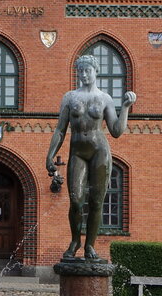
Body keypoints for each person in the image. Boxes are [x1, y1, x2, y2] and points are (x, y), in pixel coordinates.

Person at [46, 55, 136, 261]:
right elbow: (60, 130)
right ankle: (75, 240)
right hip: (77, 152)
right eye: (81, 71)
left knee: (96, 202)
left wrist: (125, 108)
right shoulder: (69, 98)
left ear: (96, 72)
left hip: (99, 152)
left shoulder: (105, 99)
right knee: (76, 201)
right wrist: (49, 155)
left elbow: (116, 131)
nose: (84, 74)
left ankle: (90, 246)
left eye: (88, 70)